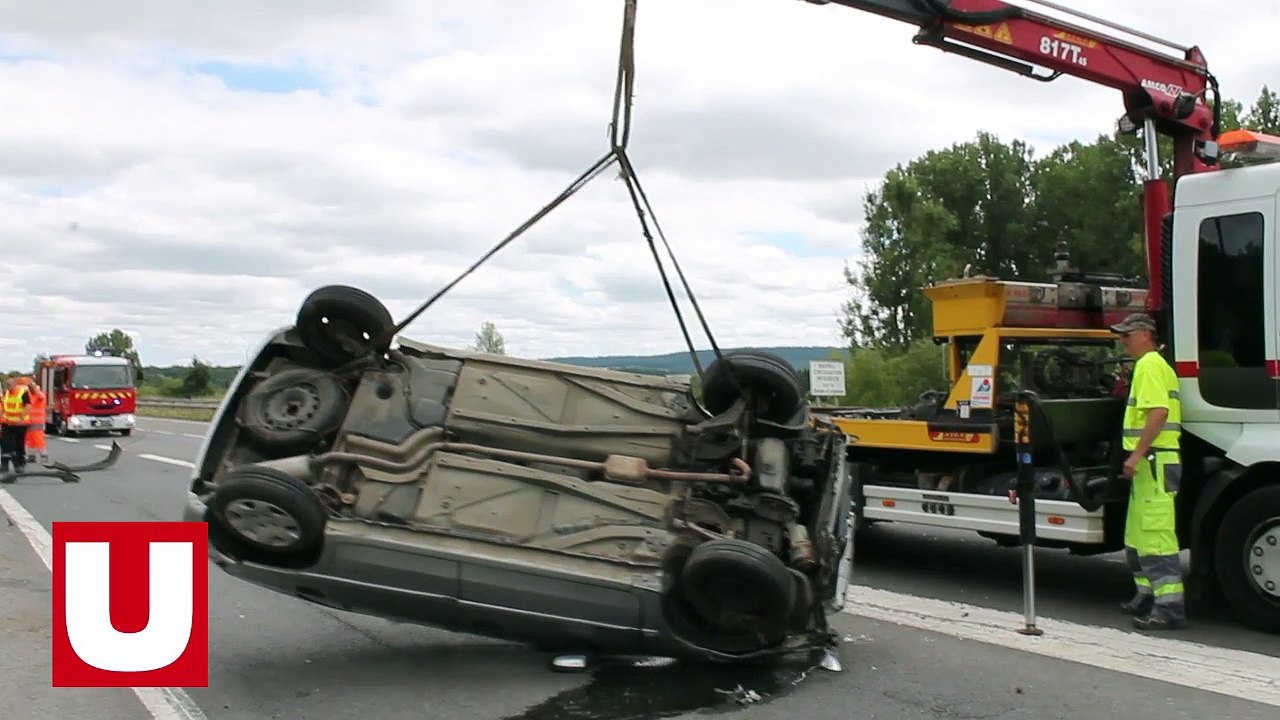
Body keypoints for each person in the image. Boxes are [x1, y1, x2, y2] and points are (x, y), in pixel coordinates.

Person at [1110, 312, 1186, 630]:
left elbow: (1158, 412)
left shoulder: (1150, 365)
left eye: (1127, 335)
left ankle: (1169, 609)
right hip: (1150, 464)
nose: (1123, 341)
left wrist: (1136, 454)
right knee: (1139, 535)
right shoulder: (1151, 365)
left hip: (1153, 461)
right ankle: (1146, 595)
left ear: (1145, 334)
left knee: (1156, 538)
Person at [1, 376, 33, 475]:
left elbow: (28, 406)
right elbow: (3, 406)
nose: (8, 386)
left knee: (18, 445)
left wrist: (21, 418)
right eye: (7, 385)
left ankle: (19, 464)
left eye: (9, 384)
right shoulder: (6, 393)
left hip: (21, 424)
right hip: (8, 423)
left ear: (15, 384)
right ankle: (4, 466)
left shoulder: (22, 393)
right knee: (6, 444)